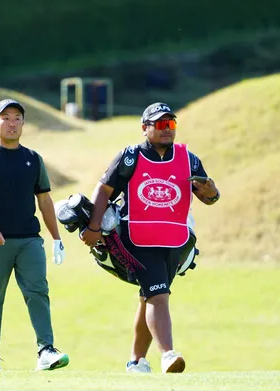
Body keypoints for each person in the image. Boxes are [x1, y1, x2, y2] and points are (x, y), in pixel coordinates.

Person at [80, 102, 220, 374]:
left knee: (150, 296)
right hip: (136, 238)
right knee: (159, 295)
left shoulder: (189, 159)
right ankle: (168, 354)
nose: (168, 129)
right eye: (161, 124)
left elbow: (208, 197)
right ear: (145, 128)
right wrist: (94, 227)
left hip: (175, 239)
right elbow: (103, 190)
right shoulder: (130, 157)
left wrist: (212, 191)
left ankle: (136, 362)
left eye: (171, 124)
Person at [0, 98, 70, 371]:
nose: (12, 123)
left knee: (38, 292)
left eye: (17, 118)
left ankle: (46, 350)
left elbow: (44, 201)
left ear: (23, 123)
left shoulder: (33, 159)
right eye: (6, 118)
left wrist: (56, 238)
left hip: (29, 239)